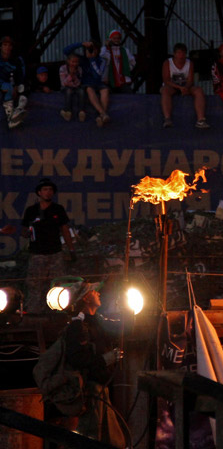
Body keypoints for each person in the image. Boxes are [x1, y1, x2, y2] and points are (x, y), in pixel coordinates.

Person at [63, 281, 126, 447]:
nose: (97, 293)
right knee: (93, 436)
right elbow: (77, 359)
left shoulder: (97, 322)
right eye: (93, 292)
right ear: (85, 298)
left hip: (101, 390)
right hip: (90, 391)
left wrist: (127, 310)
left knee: (111, 438)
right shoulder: (78, 326)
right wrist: (106, 359)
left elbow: (124, 327)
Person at [22, 178, 75, 313]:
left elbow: (65, 230)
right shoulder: (31, 210)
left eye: (50, 190)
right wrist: (30, 229)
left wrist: (71, 249)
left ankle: (58, 314)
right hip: (37, 254)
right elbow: (24, 231)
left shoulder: (58, 209)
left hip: (55, 253)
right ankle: (34, 316)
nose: (48, 192)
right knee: (35, 286)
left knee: (58, 285)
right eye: (45, 189)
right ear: (39, 192)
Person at [160, 43, 209, 129]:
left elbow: (190, 80)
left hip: (185, 87)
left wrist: (186, 87)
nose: (181, 56)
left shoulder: (189, 63)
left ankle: (201, 119)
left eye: (183, 53)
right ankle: (167, 118)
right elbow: (166, 80)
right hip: (173, 87)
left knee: (198, 90)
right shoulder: (167, 63)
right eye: (178, 53)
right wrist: (179, 87)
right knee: (165, 91)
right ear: (174, 54)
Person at [64, 41, 111, 126]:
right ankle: (102, 114)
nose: (90, 51)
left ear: (97, 51)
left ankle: (101, 116)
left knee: (105, 90)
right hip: (87, 84)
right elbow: (66, 51)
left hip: (98, 83)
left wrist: (92, 60)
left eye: (93, 49)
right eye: (88, 49)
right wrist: (81, 44)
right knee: (89, 89)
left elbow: (97, 75)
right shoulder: (81, 60)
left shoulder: (102, 61)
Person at [0, 35, 29, 129]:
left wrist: (16, 85)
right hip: (3, 85)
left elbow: (22, 75)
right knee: (7, 87)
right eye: (5, 45)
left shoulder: (17, 59)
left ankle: (18, 110)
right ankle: (11, 118)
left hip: (13, 84)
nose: (7, 47)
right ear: (1, 46)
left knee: (24, 87)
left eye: (9, 45)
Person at [59, 53, 86, 121]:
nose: (74, 64)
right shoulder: (62, 68)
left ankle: (81, 112)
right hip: (66, 87)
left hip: (75, 86)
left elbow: (79, 82)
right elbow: (64, 83)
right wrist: (70, 75)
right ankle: (67, 111)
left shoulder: (79, 69)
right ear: (68, 61)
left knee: (81, 91)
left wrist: (74, 77)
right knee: (69, 91)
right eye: (73, 62)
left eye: (76, 62)